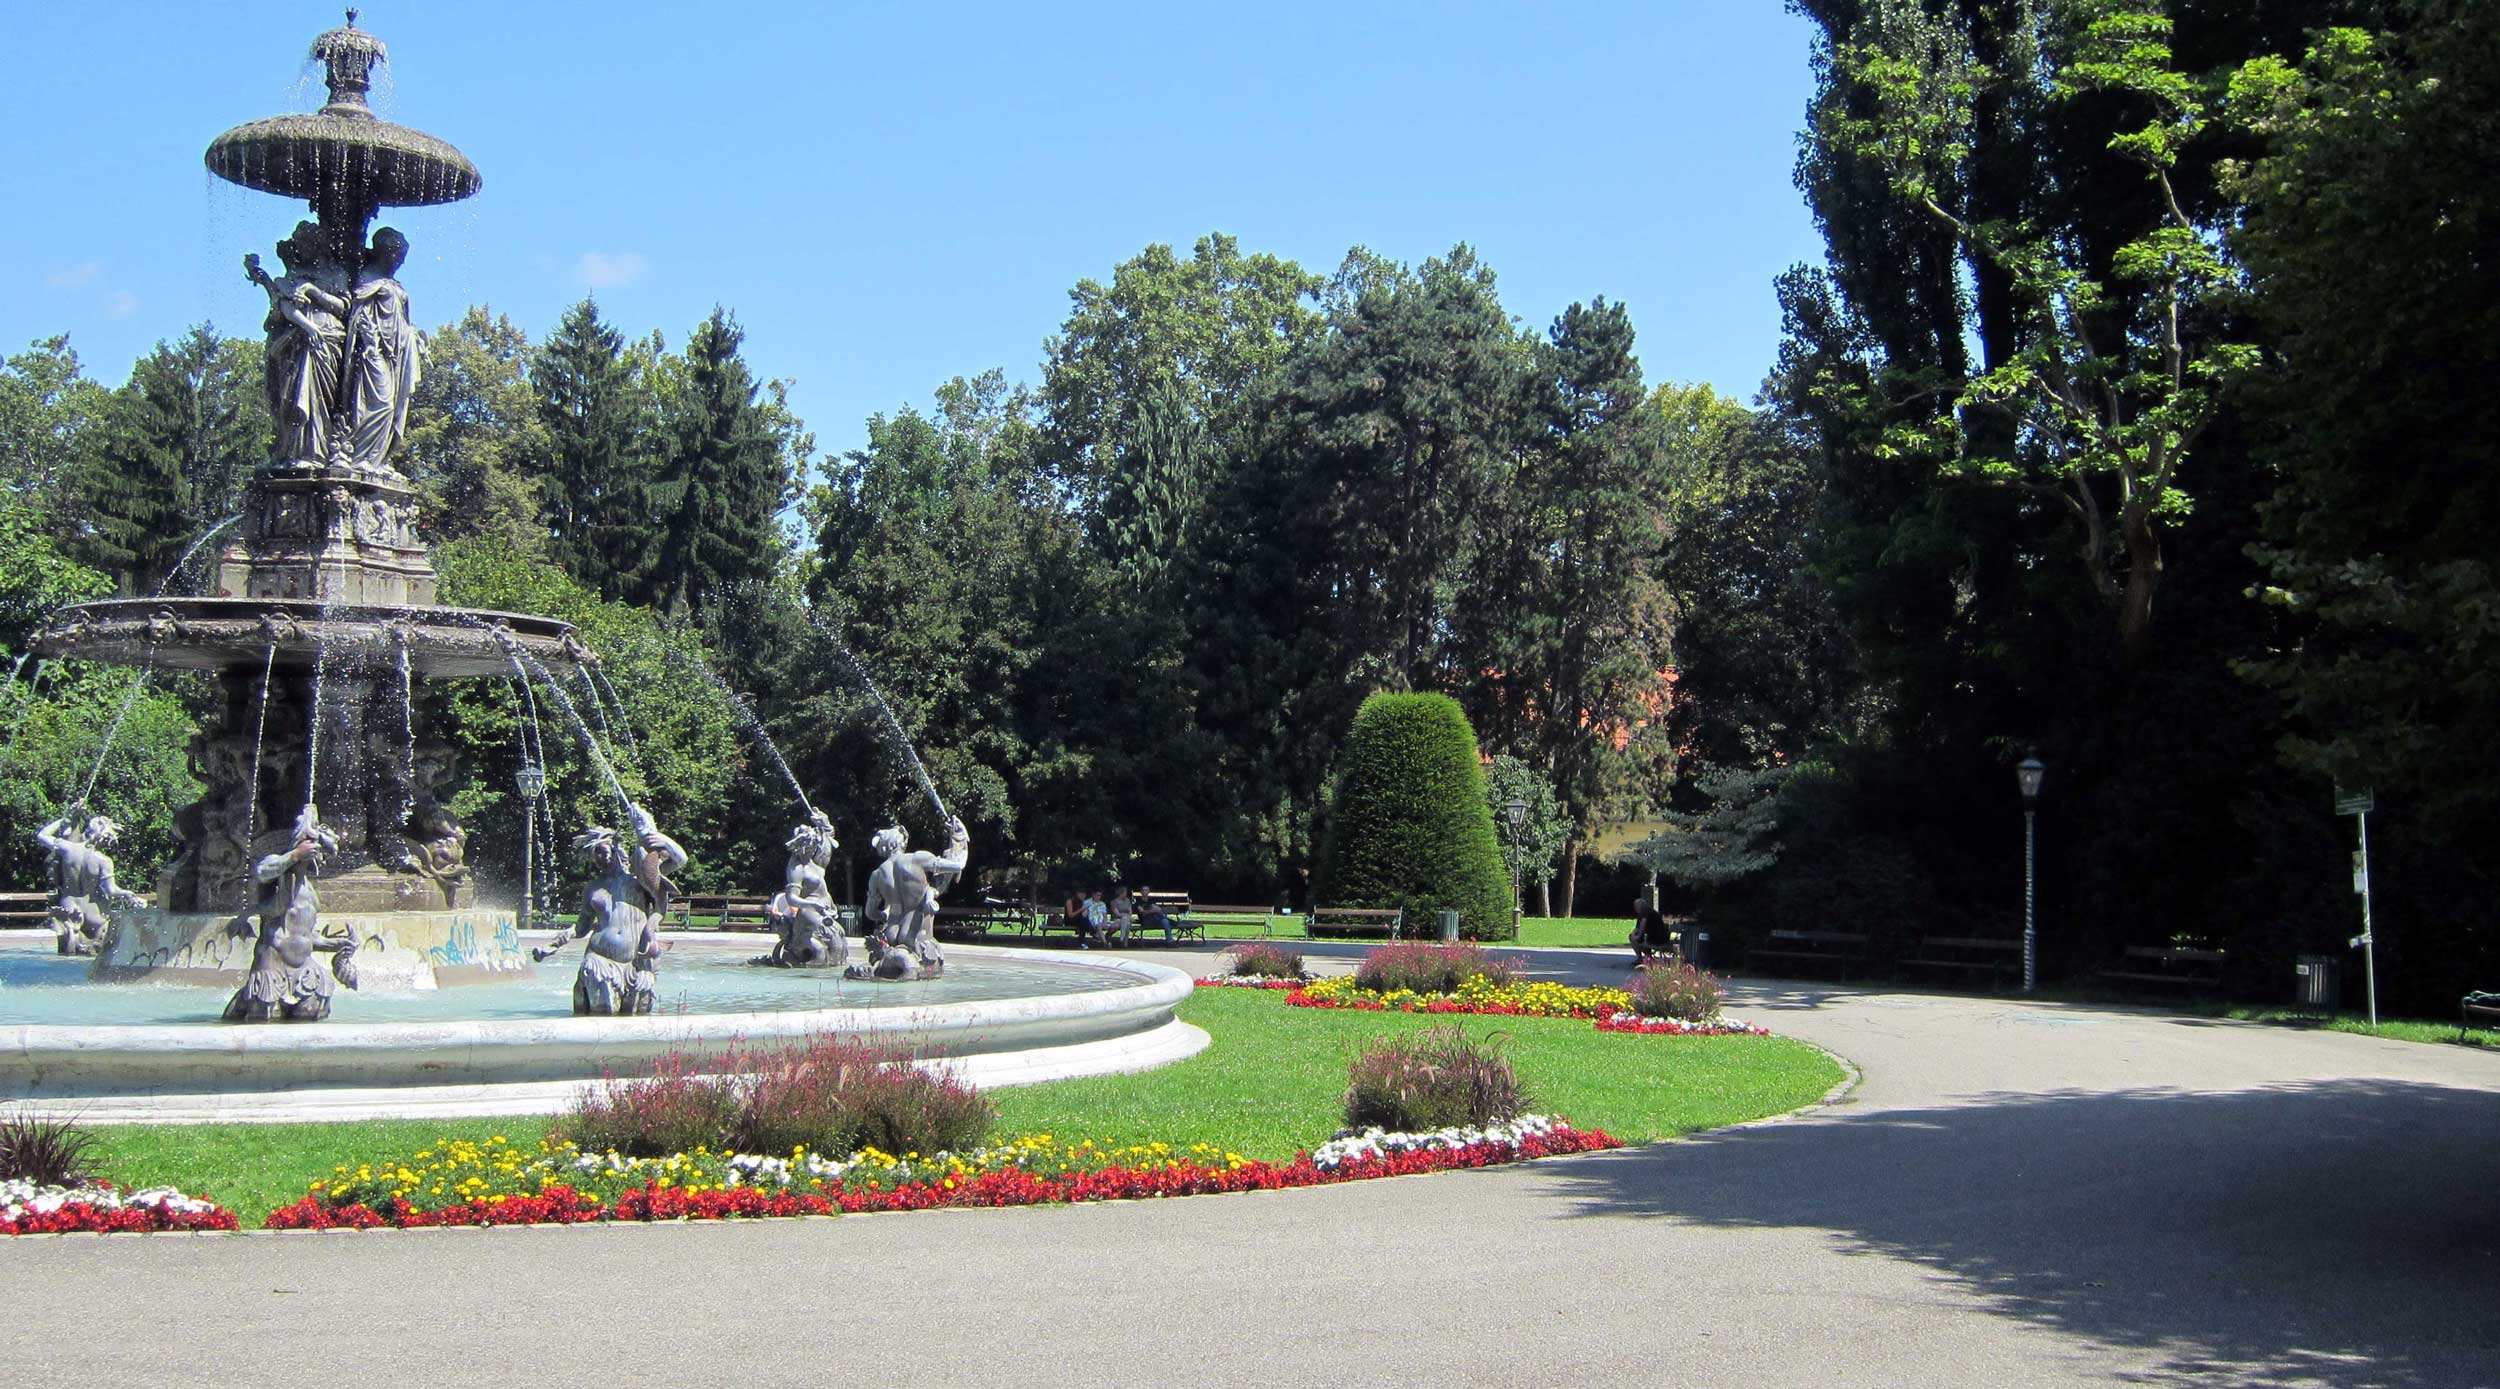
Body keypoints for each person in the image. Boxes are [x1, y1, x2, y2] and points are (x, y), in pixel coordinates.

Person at [1630, 891, 1672, 969]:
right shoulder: (1646, 911)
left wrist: (1638, 936)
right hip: (1654, 936)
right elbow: (1637, 928)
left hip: (1657, 938)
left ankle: (1641, 959)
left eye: (1636, 906)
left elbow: (1643, 924)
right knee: (1633, 937)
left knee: (1637, 940)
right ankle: (1647, 957)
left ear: (1639, 906)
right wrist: (1633, 934)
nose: (1635, 908)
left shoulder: (1645, 912)